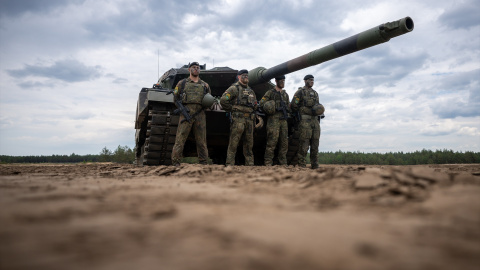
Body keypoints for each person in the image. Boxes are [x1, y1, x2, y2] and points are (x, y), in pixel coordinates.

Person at [171, 62, 211, 166]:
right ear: (189, 70)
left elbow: (209, 100)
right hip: (186, 113)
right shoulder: (182, 83)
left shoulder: (205, 85)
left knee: (201, 141)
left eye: (198, 68)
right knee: (180, 139)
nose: (196, 69)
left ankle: (203, 163)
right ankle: (175, 163)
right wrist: (182, 109)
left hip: (200, 114)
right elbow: (175, 98)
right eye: (194, 67)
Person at [220, 69, 258, 166]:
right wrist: (232, 109)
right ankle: (230, 164)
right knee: (233, 143)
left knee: (249, 145)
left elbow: (255, 105)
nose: (246, 77)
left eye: (247, 75)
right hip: (238, 120)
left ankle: (250, 165)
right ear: (239, 77)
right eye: (243, 75)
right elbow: (223, 100)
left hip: (249, 120)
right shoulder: (234, 88)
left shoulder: (251, 91)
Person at [290, 74, 325, 169]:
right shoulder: (300, 92)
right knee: (304, 143)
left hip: (315, 120)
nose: (312, 81)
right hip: (304, 121)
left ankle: (315, 164)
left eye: (313, 80)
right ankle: (301, 164)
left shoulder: (315, 93)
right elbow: (294, 105)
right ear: (305, 81)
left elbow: (317, 106)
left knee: (315, 143)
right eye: (310, 80)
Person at [259, 75, 290, 166]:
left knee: (284, 143)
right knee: (272, 142)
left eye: (284, 81)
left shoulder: (285, 94)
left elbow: (288, 106)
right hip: (273, 119)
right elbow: (262, 103)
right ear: (276, 81)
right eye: (281, 81)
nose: (283, 82)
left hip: (283, 120)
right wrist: (272, 107)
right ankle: (268, 162)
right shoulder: (270, 93)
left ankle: (283, 162)